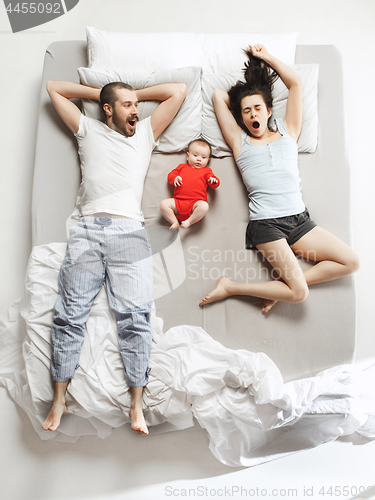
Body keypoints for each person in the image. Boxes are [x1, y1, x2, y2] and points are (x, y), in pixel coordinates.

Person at [42, 79, 187, 434]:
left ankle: (136, 405)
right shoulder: (87, 129)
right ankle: (59, 399)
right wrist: (104, 94)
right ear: (108, 110)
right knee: (69, 316)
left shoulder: (145, 134)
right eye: (126, 105)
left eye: (137, 105)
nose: (136, 111)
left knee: (135, 317)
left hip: (129, 233)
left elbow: (178, 90)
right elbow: (53, 89)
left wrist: (132, 93)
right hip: (87, 231)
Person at [200, 44, 359, 313]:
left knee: (351, 261)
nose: (253, 114)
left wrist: (266, 58)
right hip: (266, 225)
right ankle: (231, 286)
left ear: (269, 110)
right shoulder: (240, 142)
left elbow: (295, 84)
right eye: (246, 111)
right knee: (298, 294)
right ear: (240, 117)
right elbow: (217, 95)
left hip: (299, 220)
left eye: (258, 108)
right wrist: (242, 97)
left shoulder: (290, 130)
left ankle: (281, 287)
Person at [160, 139, 220, 230]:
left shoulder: (207, 171)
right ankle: (174, 222)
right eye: (195, 155)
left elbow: (214, 183)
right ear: (188, 156)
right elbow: (170, 176)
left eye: (203, 157)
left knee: (204, 206)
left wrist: (213, 181)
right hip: (177, 202)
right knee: (163, 204)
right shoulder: (182, 167)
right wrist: (175, 178)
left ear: (208, 160)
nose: (199, 159)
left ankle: (189, 221)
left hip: (194, 206)